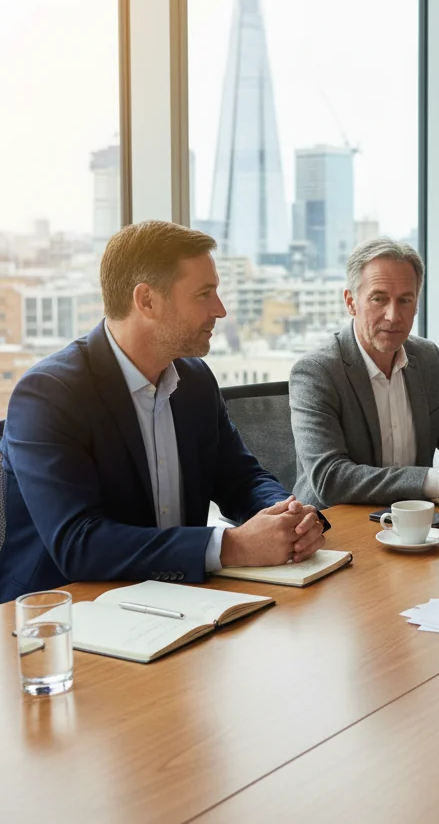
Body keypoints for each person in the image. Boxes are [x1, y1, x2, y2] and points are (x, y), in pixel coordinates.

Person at [0, 221, 326, 602]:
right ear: (147, 300)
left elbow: (242, 479)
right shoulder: (49, 394)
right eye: (204, 294)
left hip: (177, 601)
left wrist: (290, 516)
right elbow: (79, 543)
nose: (219, 310)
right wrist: (232, 546)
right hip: (63, 613)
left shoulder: (195, 380)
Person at [290, 239, 439, 508]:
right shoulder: (317, 372)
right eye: (379, 299)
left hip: (417, 524)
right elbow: (331, 479)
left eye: (405, 300)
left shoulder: (426, 358)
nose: (393, 315)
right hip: (337, 529)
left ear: (416, 305)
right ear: (351, 302)